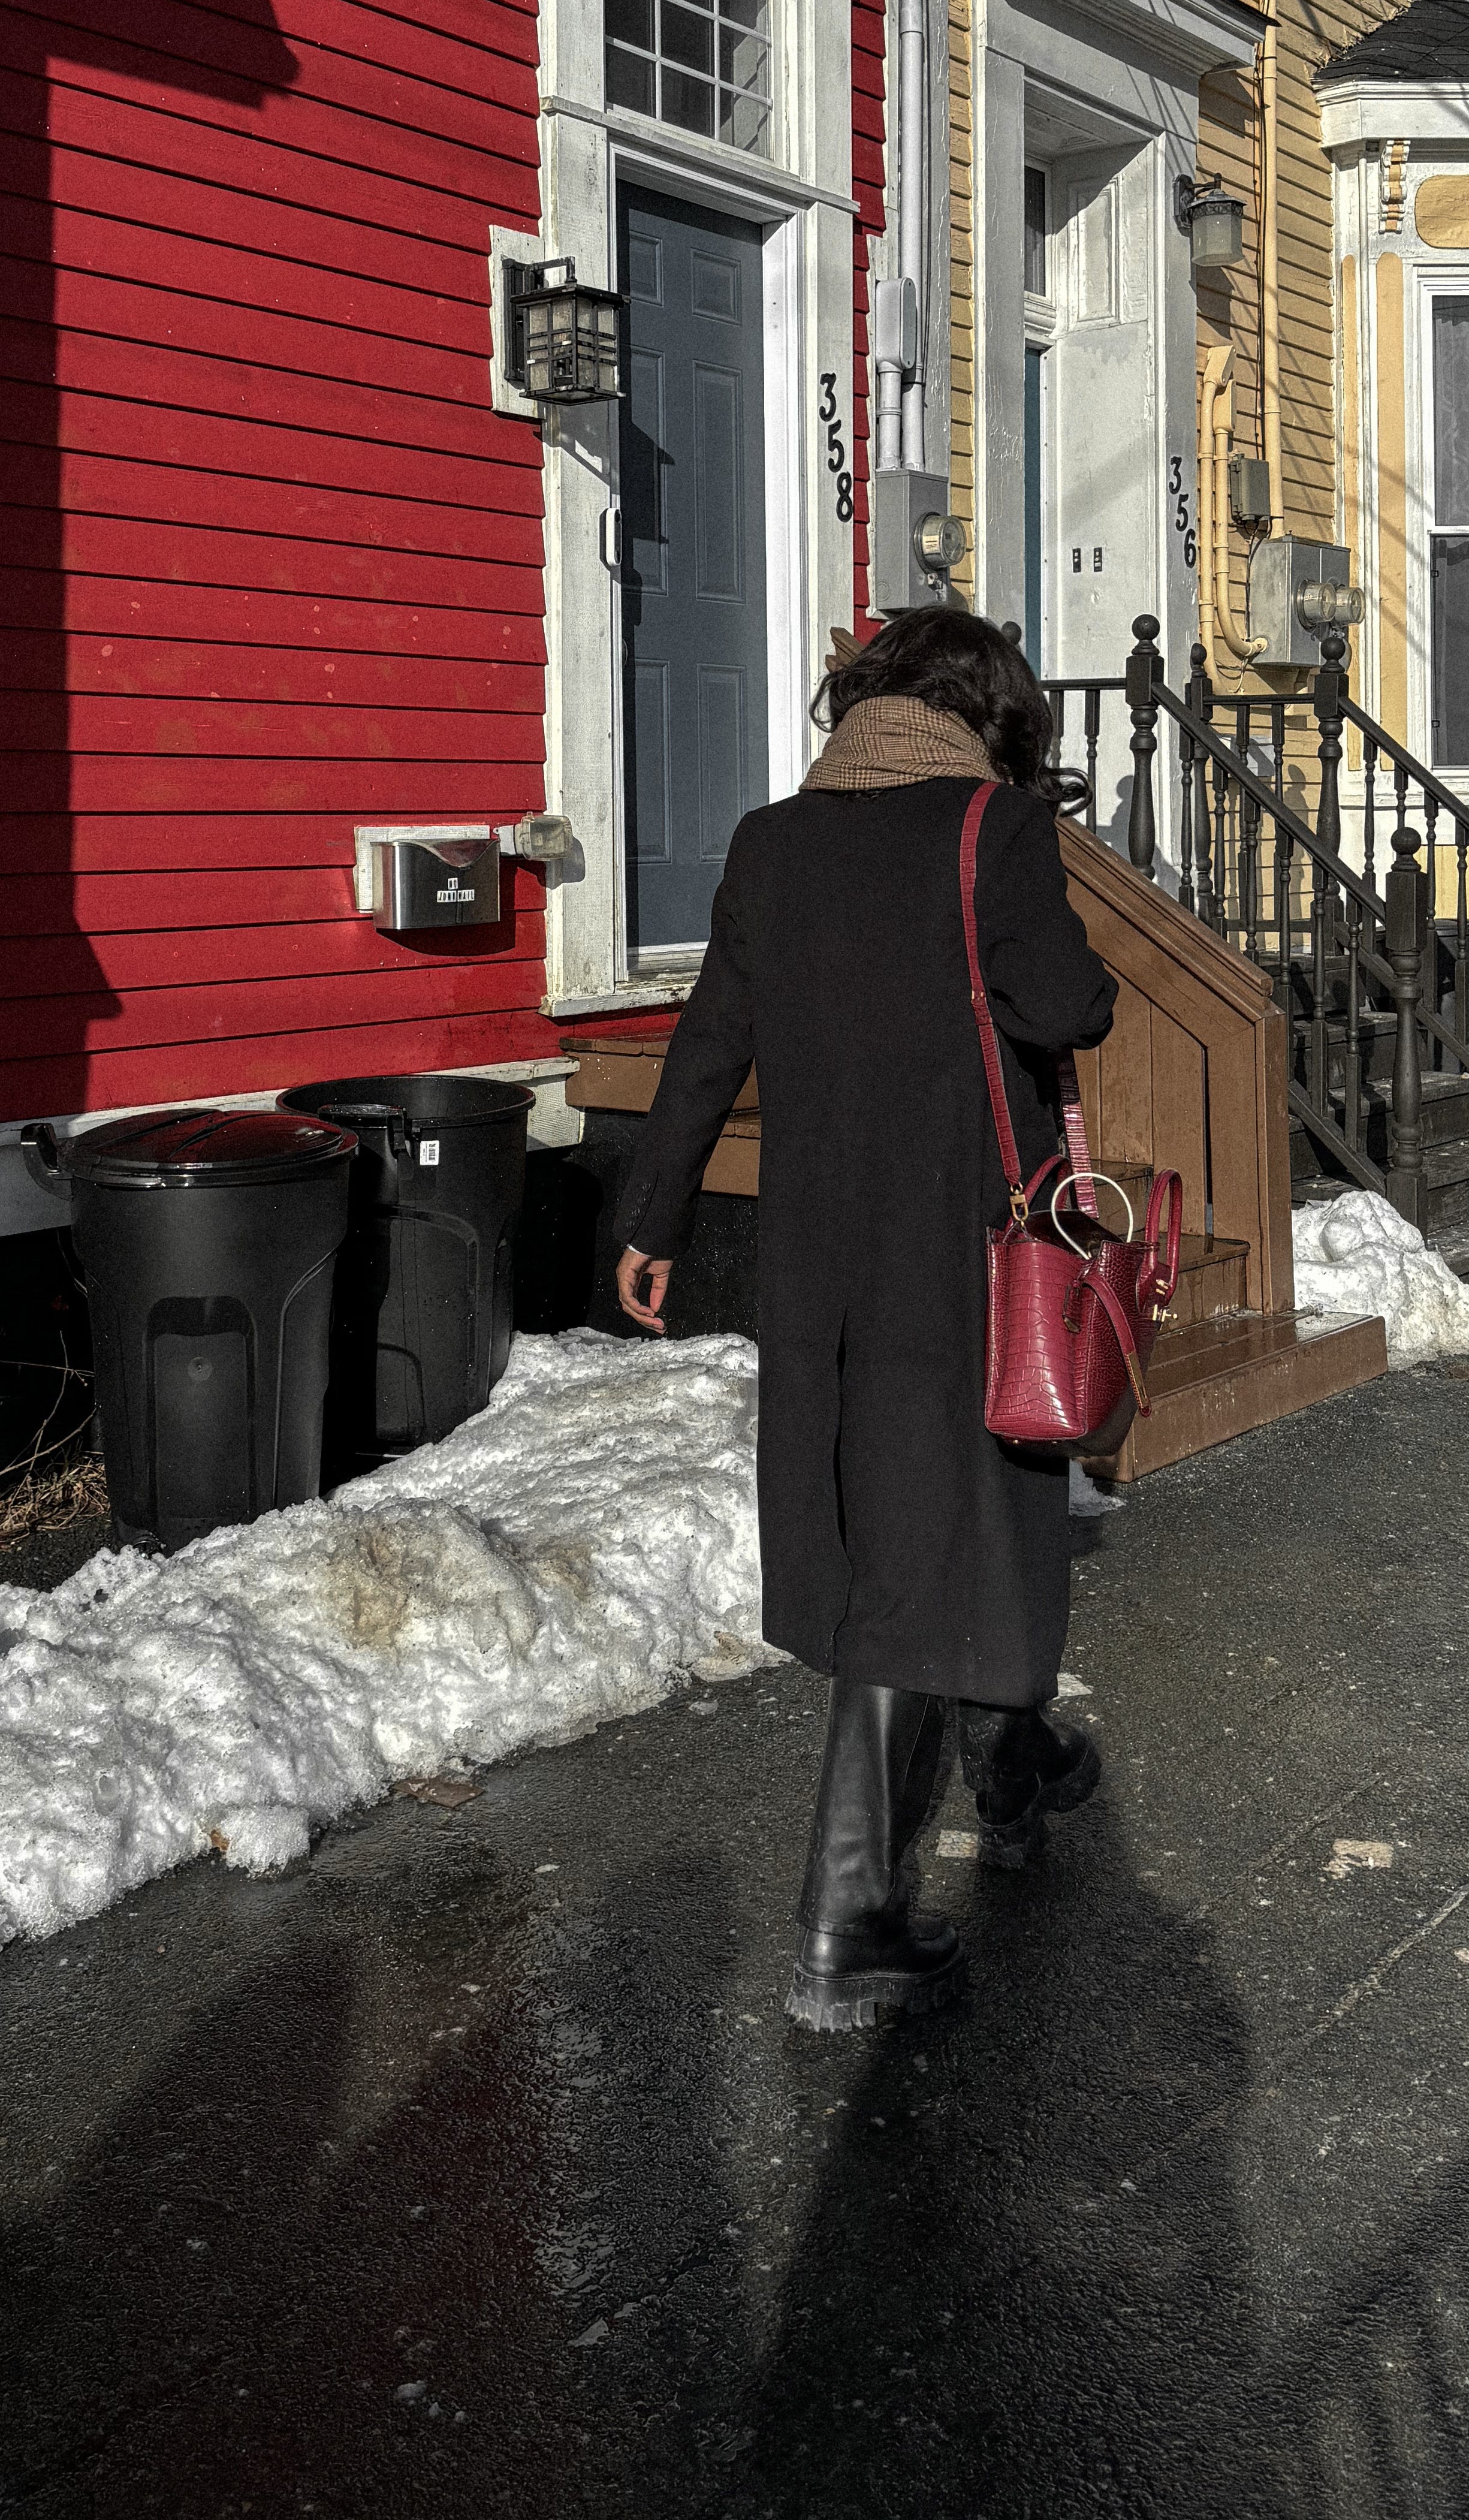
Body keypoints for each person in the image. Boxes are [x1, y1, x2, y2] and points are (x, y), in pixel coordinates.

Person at [613, 608, 1118, 2032]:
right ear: (989, 716)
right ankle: (845, 1922)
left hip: (820, 1259)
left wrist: (651, 1219)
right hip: (961, 1248)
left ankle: (1014, 1765)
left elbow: (712, 1040)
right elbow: (1063, 1005)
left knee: (924, 1522)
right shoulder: (993, 829)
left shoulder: (771, 841)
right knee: (931, 1540)